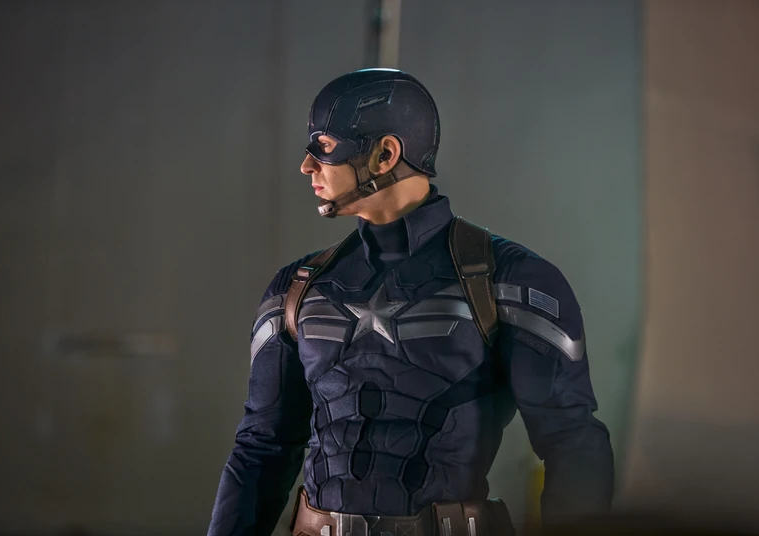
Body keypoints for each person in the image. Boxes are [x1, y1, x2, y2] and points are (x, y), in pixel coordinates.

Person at [208, 68, 614, 536]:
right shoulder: (297, 289)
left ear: (385, 154)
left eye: (325, 146)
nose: (307, 166)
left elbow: (572, 442)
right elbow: (262, 448)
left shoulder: (509, 279)